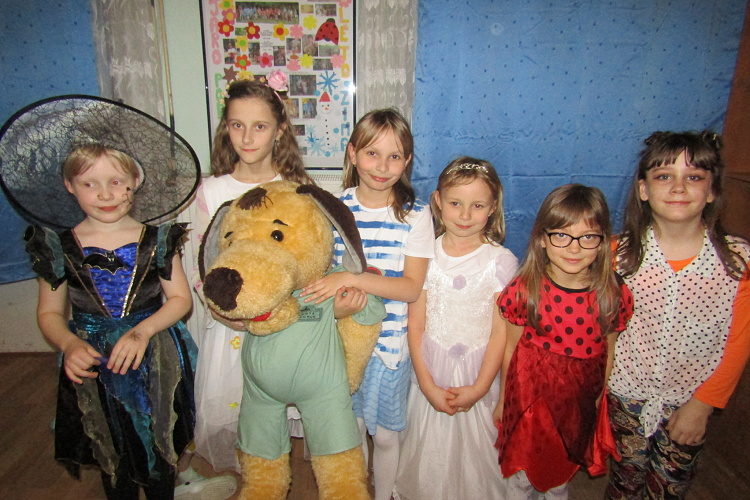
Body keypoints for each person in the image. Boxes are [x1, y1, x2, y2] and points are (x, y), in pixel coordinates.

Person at [27, 145, 197, 499]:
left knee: (159, 443)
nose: (105, 194)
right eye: (89, 184)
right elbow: (48, 313)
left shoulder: (158, 240)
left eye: (116, 181)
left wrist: (142, 331)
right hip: (95, 359)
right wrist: (69, 344)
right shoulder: (58, 247)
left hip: (152, 355)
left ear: (136, 180)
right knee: (112, 446)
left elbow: (180, 299)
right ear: (70, 186)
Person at [606, 131, 750, 499]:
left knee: (670, 486)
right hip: (624, 395)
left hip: (690, 399)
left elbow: (738, 342)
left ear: (712, 190)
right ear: (643, 189)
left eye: (694, 177)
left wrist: (703, 404)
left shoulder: (737, 262)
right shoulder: (616, 255)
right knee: (624, 481)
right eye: (664, 176)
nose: (678, 187)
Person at [186, 73, 313, 488]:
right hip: (230, 325)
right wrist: (223, 313)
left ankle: (271, 481)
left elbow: (306, 258)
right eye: (237, 125)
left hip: (280, 323)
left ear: (279, 131)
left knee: (273, 412)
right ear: (226, 128)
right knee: (238, 410)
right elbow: (200, 263)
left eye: (259, 126)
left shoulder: (295, 189)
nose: (247, 137)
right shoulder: (210, 191)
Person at [301, 108, 435, 500]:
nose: (382, 166)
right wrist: (338, 303)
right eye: (372, 153)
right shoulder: (333, 208)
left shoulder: (416, 216)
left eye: (394, 156)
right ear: (353, 153)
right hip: (342, 343)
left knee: (388, 436)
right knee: (352, 430)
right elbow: (320, 279)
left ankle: (385, 492)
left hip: (390, 347)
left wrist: (353, 279)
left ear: (407, 162)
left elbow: (410, 289)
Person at [495, 184, 634, 500]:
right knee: (520, 477)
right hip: (529, 403)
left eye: (587, 237)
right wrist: (502, 400)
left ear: (602, 241)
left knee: (558, 479)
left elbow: (608, 351)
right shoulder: (525, 290)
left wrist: (597, 400)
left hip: (575, 405)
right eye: (561, 235)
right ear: (542, 239)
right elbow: (510, 348)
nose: (574, 248)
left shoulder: (611, 294)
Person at [394, 158, 519, 499]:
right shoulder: (424, 257)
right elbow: (416, 325)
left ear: (492, 208)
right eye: (455, 203)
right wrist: (427, 384)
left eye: (477, 205)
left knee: (478, 456)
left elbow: (501, 333)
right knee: (430, 450)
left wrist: (480, 387)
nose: (465, 215)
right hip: (431, 370)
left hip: (480, 372)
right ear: (437, 201)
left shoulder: (501, 262)